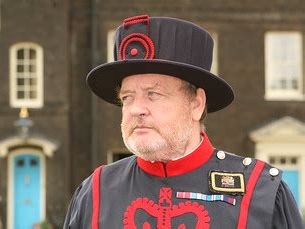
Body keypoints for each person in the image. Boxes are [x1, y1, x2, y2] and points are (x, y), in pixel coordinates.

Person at [64, 15, 304, 228]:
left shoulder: (260, 192)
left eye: (153, 94)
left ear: (196, 104)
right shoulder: (96, 192)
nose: (136, 109)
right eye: (127, 97)